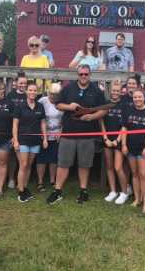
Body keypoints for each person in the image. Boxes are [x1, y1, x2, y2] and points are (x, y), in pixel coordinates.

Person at [46, 65, 108, 205]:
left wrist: (92, 117)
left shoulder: (96, 90)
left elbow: (104, 110)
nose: (83, 76)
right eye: (81, 74)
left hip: (87, 134)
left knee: (84, 164)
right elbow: (58, 105)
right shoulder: (68, 88)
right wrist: (70, 107)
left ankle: (83, 191)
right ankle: (57, 191)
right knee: (63, 163)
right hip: (69, 132)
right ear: (77, 75)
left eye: (86, 74)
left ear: (90, 75)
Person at [121, 88, 145, 214]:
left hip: (144, 150)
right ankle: (137, 199)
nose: (137, 99)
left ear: (144, 98)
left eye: (139, 97)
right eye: (135, 97)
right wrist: (124, 145)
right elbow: (124, 128)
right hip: (131, 147)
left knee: (144, 175)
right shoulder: (128, 110)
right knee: (134, 174)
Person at [13, 83, 48, 203]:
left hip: (35, 141)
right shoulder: (20, 106)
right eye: (30, 90)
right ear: (26, 92)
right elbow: (15, 125)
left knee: (28, 165)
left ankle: (25, 187)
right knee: (23, 165)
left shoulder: (40, 106)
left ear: (37, 92)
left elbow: (43, 123)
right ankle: (20, 191)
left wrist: (44, 138)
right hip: (22, 140)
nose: (32, 92)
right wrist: (16, 140)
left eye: (34, 90)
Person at [100, 81, 130, 205]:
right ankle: (113, 191)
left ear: (121, 91)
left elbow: (125, 125)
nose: (115, 93)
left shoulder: (124, 104)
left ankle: (124, 192)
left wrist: (117, 140)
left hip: (119, 139)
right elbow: (101, 121)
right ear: (110, 91)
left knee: (118, 167)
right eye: (113, 90)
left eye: (117, 91)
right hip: (107, 138)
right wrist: (105, 138)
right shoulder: (106, 104)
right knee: (109, 166)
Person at [37, 83, 63, 191]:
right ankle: (40, 182)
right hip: (43, 133)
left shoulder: (62, 102)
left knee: (54, 159)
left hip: (56, 133)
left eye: (56, 94)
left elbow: (65, 118)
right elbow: (36, 114)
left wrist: (61, 131)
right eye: (51, 94)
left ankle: (53, 180)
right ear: (48, 92)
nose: (53, 96)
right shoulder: (42, 101)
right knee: (41, 158)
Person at [5, 73, 27, 190]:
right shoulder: (10, 96)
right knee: (12, 155)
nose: (23, 85)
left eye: (25, 83)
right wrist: (14, 135)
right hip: (12, 129)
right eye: (21, 83)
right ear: (16, 83)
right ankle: (11, 179)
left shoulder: (29, 95)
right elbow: (8, 113)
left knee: (24, 157)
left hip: (25, 130)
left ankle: (22, 180)